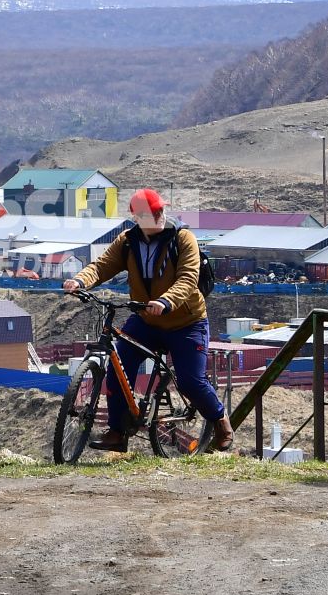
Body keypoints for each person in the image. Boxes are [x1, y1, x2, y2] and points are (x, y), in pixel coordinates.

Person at [62, 188, 233, 452]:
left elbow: (187, 278)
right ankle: (118, 432)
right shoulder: (128, 241)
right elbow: (102, 265)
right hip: (147, 320)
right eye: (151, 213)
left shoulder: (182, 238)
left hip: (186, 322)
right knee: (118, 369)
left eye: (160, 210)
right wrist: (80, 280)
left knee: (191, 381)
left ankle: (220, 421)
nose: (158, 216)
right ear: (136, 218)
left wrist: (166, 301)